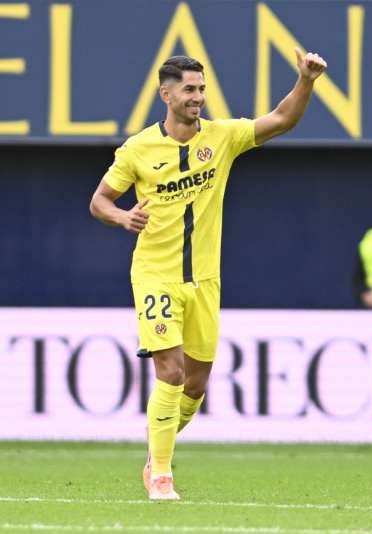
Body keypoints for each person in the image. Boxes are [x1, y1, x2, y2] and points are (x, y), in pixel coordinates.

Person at [89, 51, 327, 500]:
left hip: (204, 280)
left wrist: (306, 81)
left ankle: (157, 450)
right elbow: (99, 200)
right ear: (166, 94)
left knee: (196, 385)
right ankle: (161, 473)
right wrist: (121, 219)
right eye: (189, 90)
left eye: (201, 89)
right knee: (171, 371)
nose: (198, 97)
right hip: (155, 276)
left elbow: (280, 119)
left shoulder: (222, 137)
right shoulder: (138, 149)